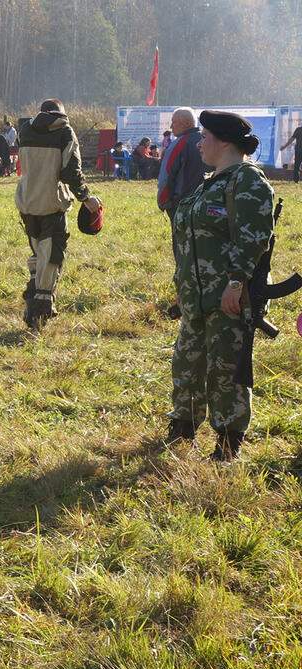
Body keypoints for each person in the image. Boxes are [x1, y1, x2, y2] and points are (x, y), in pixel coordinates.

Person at [166, 110, 274, 461]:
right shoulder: (210, 183)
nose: (199, 143)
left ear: (224, 141)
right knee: (187, 364)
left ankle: (228, 441)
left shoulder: (247, 182)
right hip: (197, 297)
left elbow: (253, 238)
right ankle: (183, 426)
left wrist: (235, 282)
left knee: (225, 370)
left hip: (228, 297)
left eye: (205, 137)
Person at [14, 98, 102, 330]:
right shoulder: (64, 131)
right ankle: (39, 314)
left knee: (37, 251)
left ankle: (32, 290)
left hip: (26, 201)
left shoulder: (25, 129)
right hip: (52, 202)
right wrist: (85, 197)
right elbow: (71, 171)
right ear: (61, 113)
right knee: (52, 256)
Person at [158, 107, 207, 219]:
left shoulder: (178, 144)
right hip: (207, 203)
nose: (171, 126)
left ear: (185, 123)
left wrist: (163, 202)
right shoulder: (208, 141)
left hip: (182, 205)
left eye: (174, 122)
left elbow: (166, 177)